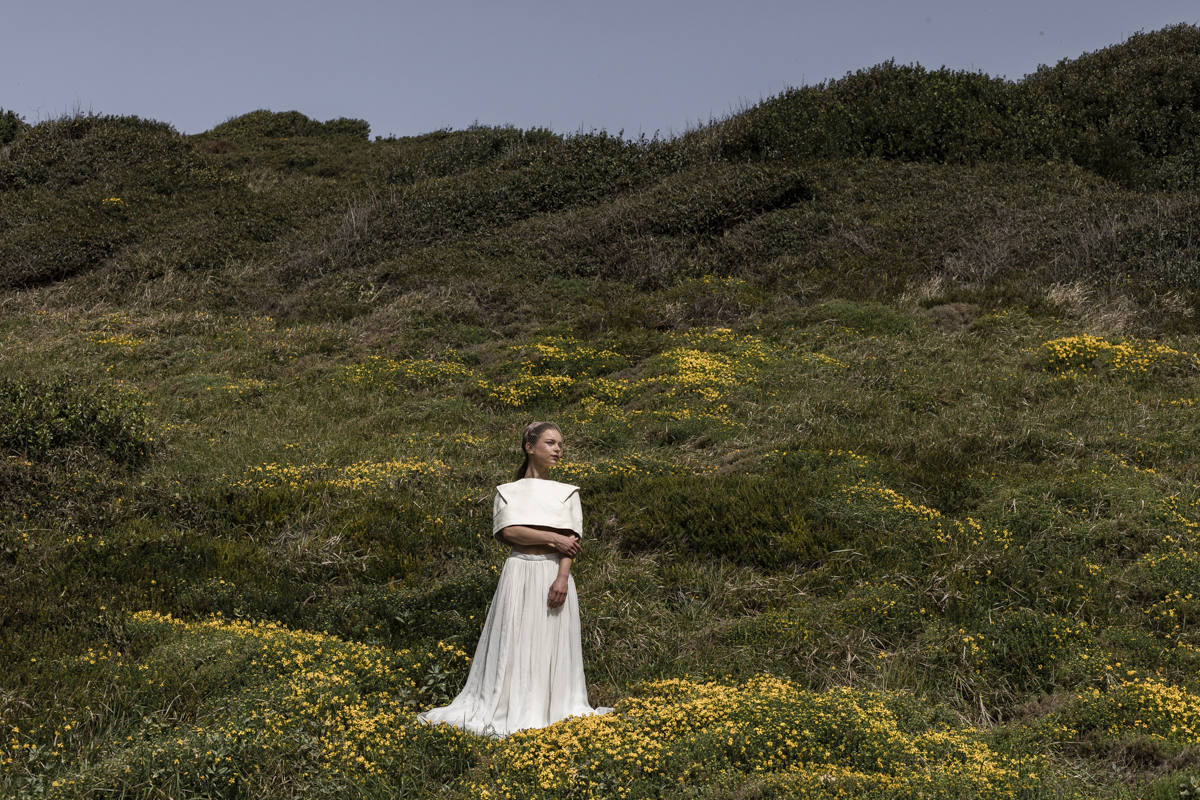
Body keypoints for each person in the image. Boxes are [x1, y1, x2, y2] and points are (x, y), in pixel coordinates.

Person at [416, 421, 613, 737]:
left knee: (551, 639)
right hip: (519, 572)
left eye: (560, 444)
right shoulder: (508, 492)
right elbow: (509, 532)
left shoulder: (567, 493)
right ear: (529, 446)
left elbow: (571, 541)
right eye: (550, 442)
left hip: (553, 575)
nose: (558, 449)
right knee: (517, 637)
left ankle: (551, 706)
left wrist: (562, 577)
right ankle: (515, 702)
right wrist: (552, 539)